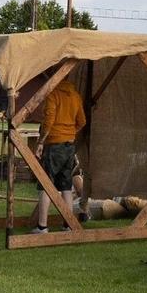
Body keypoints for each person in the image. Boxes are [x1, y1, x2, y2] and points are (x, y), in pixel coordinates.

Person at [32, 74, 87, 232]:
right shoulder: (75, 96)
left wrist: (41, 141)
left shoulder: (53, 94)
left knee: (45, 184)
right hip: (69, 144)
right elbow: (82, 121)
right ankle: (68, 224)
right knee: (66, 186)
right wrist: (70, 133)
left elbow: (49, 119)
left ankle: (42, 226)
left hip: (53, 144)